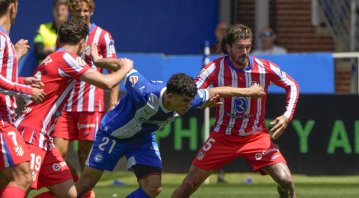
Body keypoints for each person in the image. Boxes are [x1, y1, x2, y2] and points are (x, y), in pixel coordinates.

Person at [74, 70, 266, 197]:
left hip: (142, 140)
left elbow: (218, 90)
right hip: (113, 135)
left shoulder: (189, 99)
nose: (188, 106)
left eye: (190, 101)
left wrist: (249, 91)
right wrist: (101, 61)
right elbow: (125, 66)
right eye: (184, 102)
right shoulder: (145, 91)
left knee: (153, 187)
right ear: (170, 96)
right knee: (85, 185)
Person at [172, 24, 299, 198]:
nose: (245, 52)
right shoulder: (214, 68)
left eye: (248, 47)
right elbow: (192, 93)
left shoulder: (264, 68)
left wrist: (287, 116)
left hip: (256, 136)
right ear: (228, 47)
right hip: (222, 137)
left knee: (286, 182)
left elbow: (292, 85)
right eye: (240, 47)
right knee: (189, 184)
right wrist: (202, 103)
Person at [14, 19, 132, 197]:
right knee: (20, 187)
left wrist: (97, 60)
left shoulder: (55, 57)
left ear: (59, 40)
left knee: (70, 194)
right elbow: (107, 82)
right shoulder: (67, 59)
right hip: (32, 134)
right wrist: (126, 67)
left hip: (42, 137)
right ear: (83, 42)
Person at [51, 0, 119, 191]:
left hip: (90, 105)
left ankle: (85, 193)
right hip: (65, 106)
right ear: (71, 11)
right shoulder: (65, 34)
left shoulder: (103, 36)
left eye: (85, 10)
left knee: (85, 157)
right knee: (56, 154)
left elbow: (114, 69)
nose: (81, 14)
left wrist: (112, 103)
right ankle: (72, 189)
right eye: (77, 10)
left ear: (92, 11)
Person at [0, 0, 46, 197]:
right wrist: (28, 92)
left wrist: (24, 81)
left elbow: (4, 78)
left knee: (5, 181)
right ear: (14, 6)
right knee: (23, 177)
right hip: (1, 121)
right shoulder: (1, 39)